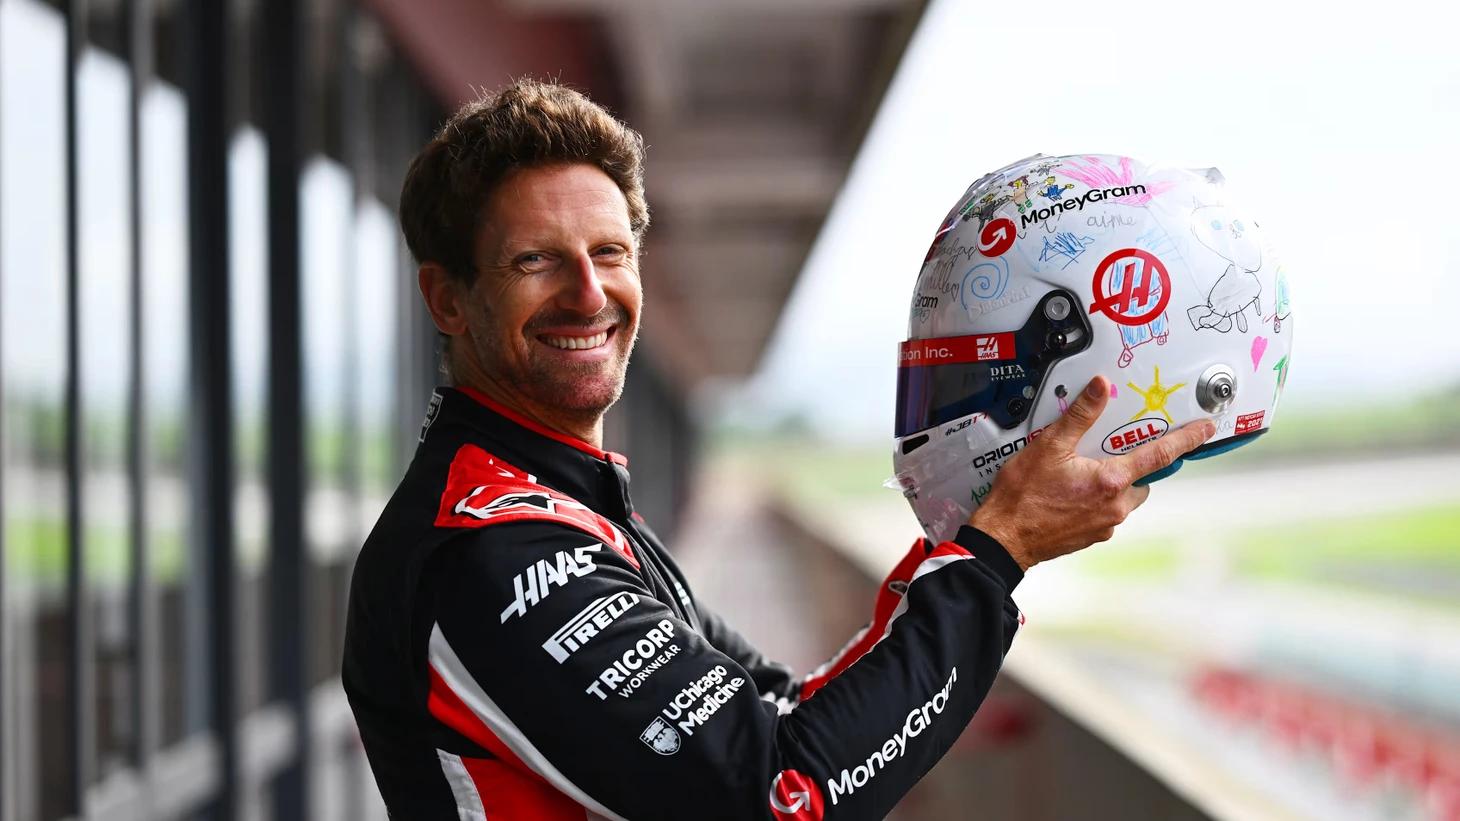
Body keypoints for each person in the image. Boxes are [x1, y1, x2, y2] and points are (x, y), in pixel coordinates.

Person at [342, 79, 1215, 821]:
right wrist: (998, 554)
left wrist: (977, 534)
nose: (588, 293)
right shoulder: (490, 545)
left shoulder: (567, 509)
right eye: (535, 260)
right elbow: (779, 792)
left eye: (609, 252)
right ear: (447, 299)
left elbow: (788, 712)